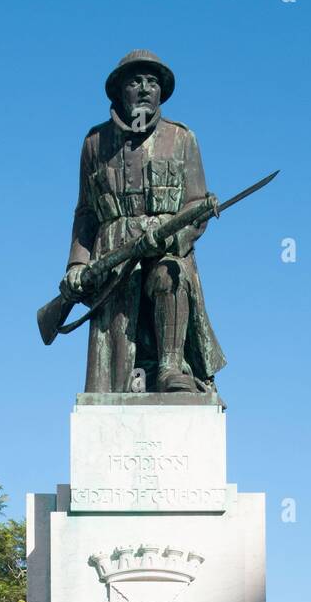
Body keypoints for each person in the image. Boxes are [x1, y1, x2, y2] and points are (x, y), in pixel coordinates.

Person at [61, 50, 225, 394]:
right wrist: (77, 265)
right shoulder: (95, 142)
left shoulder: (182, 139)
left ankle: (170, 367)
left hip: (166, 248)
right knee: (114, 363)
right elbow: (86, 212)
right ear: (120, 90)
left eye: (152, 82)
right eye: (135, 81)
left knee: (171, 274)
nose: (145, 88)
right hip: (114, 259)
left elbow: (196, 207)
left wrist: (169, 237)